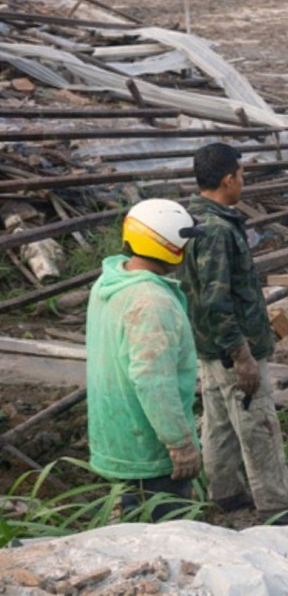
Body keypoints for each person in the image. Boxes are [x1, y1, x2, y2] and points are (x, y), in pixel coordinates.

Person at [177, 143, 288, 526]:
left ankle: (227, 494)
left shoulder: (192, 219)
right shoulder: (216, 231)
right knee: (257, 424)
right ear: (228, 179)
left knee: (217, 424)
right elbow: (216, 300)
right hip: (231, 347)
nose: (243, 181)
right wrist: (242, 354)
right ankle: (277, 506)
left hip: (209, 347)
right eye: (242, 175)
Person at [86, 198, 203, 521]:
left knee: (132, 531)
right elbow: (153, 381)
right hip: (152, 446)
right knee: (167, 540)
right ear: (172, 246)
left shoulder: (109, 282)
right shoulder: (152, 301)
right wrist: (180, 444)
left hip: (118, 435)